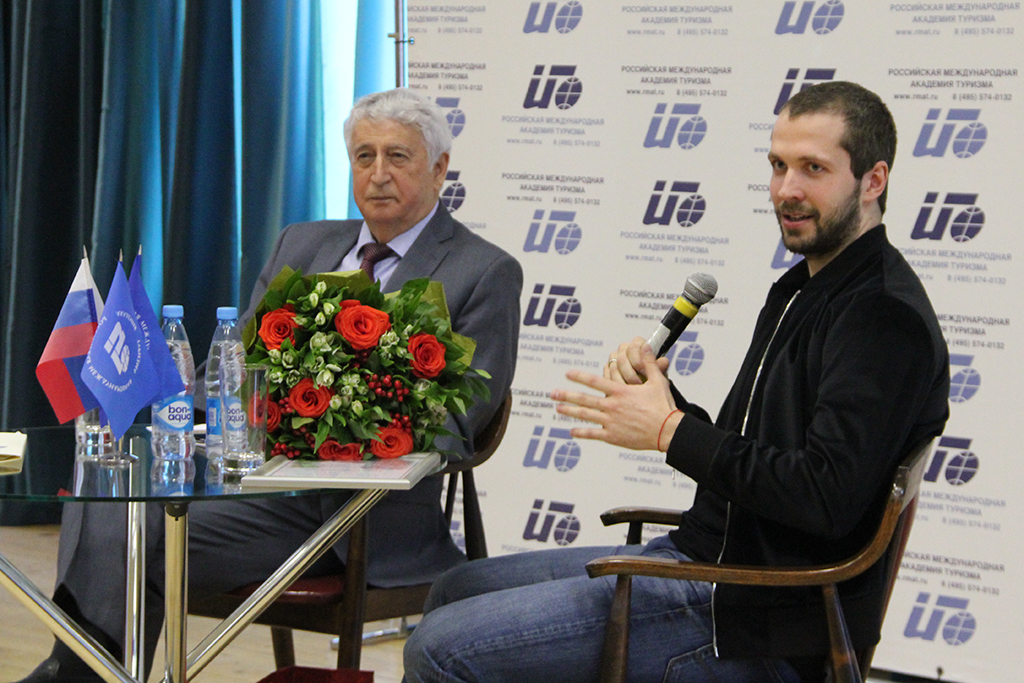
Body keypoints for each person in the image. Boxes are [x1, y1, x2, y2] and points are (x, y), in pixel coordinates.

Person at [402, 81, 949, 683]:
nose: (786, 190)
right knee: (455, 588)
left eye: (812, 168)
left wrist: (668, 431)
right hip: (709, 561)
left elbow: (824, 498)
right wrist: (665, 404)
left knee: (439, 649)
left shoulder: (882, 316)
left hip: (752, 618)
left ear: (873, 181)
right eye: (778, 165)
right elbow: (761, 454)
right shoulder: (804, 287)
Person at [15, 88, 522, 683]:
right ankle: (74, 670)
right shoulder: (303, 243)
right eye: (364, 156)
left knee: (137, 536)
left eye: (398, 157)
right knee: (108, 499)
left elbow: (457, 425)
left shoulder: (483, 271)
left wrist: (334, 419)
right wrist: (169, 409)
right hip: (251, 488)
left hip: (365, 521)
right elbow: (235, 372)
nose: (378, 174)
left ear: (438, 169)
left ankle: (73, 677)